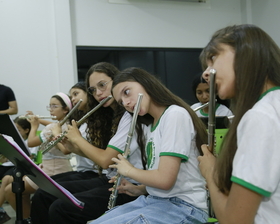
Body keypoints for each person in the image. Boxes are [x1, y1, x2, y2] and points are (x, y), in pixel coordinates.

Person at [30, 62, 146, 224]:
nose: (98, 93)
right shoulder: (108, 117)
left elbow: (105, 160)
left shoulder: (128, 116)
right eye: (93, 90)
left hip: (128, 184)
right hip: (111, 177)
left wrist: (76, 138)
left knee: (61, 208)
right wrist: (74, 148)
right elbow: (106, 159)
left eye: (102, 85)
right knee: (43, 194)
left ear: (116, 81)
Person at [90, 67, 209, 224]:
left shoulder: (174, 115)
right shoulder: (149, 125)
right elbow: (169, 180)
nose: (126, 102)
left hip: (184, 207)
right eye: (121, 102)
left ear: (145, 83)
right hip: (156, 200)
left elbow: (165, 180)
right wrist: (139, 189)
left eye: (127, 92)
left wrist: (130, 170)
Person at [197, 24, 280, 224]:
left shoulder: (261, 116)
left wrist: (210, 172)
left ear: (246, 51)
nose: (206, 74)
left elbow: (235, 221)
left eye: (213, 58)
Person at [4, 92, 73, 219]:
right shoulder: (68, 125)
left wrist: (34, 126)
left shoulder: (53, 128)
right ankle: (33, 218)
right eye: (49, 106)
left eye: (54, 106)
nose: (51, 109)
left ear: (65, 109)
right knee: (13, 186)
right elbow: (52, 125)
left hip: (52, 171)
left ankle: (29, 220)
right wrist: (38, 119)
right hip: (62, 167)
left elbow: (30, 142)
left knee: (10, 191)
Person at [49, 82, 102, 182]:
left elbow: (67, 151)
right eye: (71, 96)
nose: (72, 99)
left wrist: (57, 135)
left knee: (45, 192)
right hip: (83, 170)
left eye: (76, 94)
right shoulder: (83, 121)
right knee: (47, 185)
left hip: (93, 172)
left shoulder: (97, 121)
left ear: (88, 93)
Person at [0, 116, 38, 224]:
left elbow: (30, 158)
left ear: (26, 130)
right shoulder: (12, 141)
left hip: (20, 168)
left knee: (7, 180)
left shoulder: (30, 140)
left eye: (19, 130)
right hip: (7, 165)